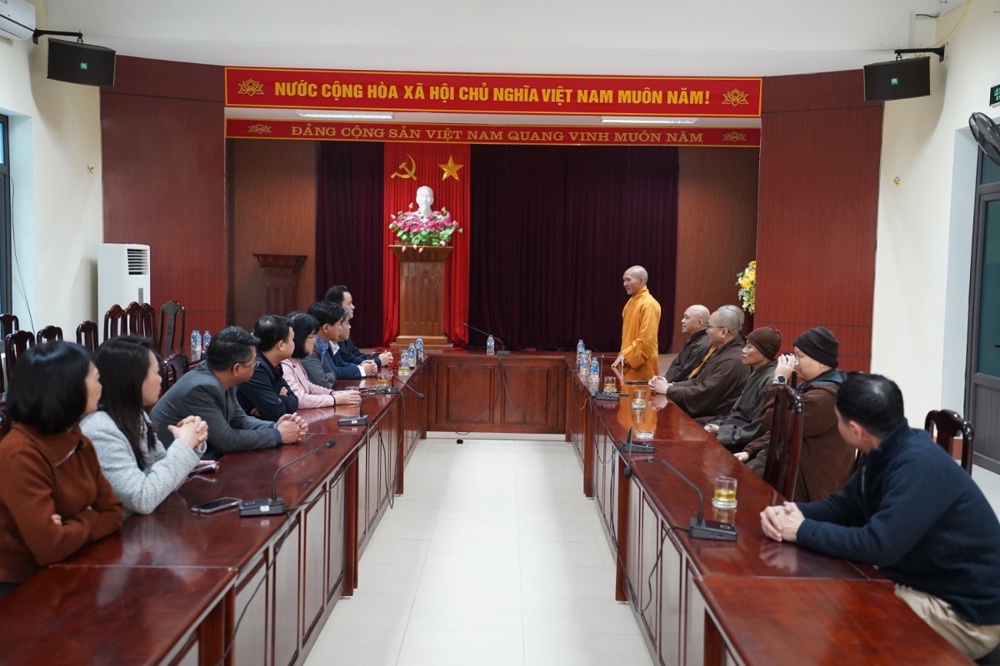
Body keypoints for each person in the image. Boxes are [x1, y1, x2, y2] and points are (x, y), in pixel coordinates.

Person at [760, 373, 1000, 660]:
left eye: (838, 420)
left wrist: (801, 530)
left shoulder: (918, 465)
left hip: (964, 613)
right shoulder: (885, 447)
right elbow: (847, 507)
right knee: (830, 603)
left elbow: (878, 545)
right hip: (923, 584)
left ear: (856, 430)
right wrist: (794, 512)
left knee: (846, 623)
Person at [0, 342, 123, 598]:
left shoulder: (77, 439)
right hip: (21, 586)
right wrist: (89, 517)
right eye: (95, 378)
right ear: (66, 389)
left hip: (72, 567)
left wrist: (69, 527)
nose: (101, 385)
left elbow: (113, 512)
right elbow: (50, 547)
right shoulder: (19, 453)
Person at [82, 336, 209, 518]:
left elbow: (164, 483)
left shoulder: (135, 415)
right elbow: (143, 499)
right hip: (119, 531)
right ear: (132, 379)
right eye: (156, 372)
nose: (160, 379)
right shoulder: (99, 429)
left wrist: (193, 442)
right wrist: (183, 446)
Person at [151, 326, 308, 459]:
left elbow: (239, 420)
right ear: (237, 369)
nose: (256, 366)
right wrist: (278, 435)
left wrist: (277, 426)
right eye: (254, 362)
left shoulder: (224, 375)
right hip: (173, 467)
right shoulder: (200, 388)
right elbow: (227, 440)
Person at [737, 326, 853, 502]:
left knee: (737, 490)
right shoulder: (812, 386)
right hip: (793, 469)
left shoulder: (826, 397)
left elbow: (773, 421)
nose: (794, 362)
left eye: (800, 356)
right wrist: (749, 451)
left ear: (821, 362)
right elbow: (779, 430)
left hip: (811, 485)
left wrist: (779, 381)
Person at [649, 307, 749, 422]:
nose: (706, 331)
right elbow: (697, 382)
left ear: (724, 332)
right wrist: (669, 385)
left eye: (709, 327)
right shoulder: (722, 352)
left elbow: (705, 393)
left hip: (716, 419)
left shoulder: (732, 360)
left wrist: (668, 390)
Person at [704, 326, 781, 452]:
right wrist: (719, 425)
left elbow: (758, 428)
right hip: (732, 429)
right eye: (745, 345)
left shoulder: (771, 380)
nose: (743, 351)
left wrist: (722, 431)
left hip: (743, 441)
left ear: (764, 351)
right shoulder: (758, 372)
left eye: (749, 347)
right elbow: (737, 412)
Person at [282, 313, 364, 409]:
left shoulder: (295, 360)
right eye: (312, 337)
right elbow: (299, 399)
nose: (315, 341)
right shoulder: (284, 365)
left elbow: (308, 385)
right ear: (300, 338)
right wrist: (334, 399)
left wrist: (332, 393)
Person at [236, 315, 299, 421]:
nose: (294, 344)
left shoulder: (275, 365)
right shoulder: (255, 367)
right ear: (281, 345)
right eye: (292, 340)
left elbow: (295, 400)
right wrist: (276, 400)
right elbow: (278, 413)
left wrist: (278, 400)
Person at [324, 285, 393, 368]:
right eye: (349, 304)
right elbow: (347, 359)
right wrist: (377, 361)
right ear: (337, 306)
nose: (353, 307)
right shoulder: (334, 331)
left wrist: (378, 357)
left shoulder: (345, 328)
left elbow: (355, 354)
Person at [612, 265, 661, 381]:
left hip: (641, 362)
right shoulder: (630, 302)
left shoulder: (649, 304)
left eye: (628, 280)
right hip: (627, 358)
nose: (625, 284)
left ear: (641, 280)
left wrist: (627, 356)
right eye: (624, 280)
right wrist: (624, 355)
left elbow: (646, 341)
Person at [664, 304, 711, 382]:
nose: (682, 321)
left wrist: (665, 383)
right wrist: (663, 379)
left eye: (687, 317)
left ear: (699, 323)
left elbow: (686, 373)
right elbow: (677, 365)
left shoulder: (702, 345)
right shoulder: (694, 340)